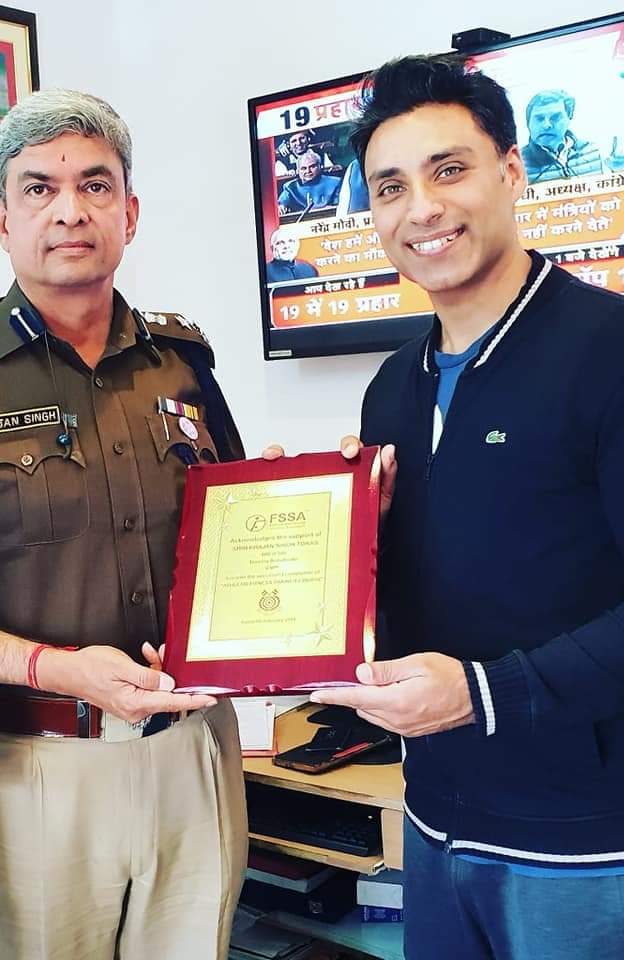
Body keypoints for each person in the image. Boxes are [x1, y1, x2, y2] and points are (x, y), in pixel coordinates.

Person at [266, 55, 624, 960]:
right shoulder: (392, 388)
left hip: (588, 841)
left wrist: (484, 695)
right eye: (390, 187)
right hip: (435, 817)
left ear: (512, 171)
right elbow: (436, 586)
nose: (422, 208)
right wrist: (326, 531)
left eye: (449, 170)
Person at [0, 90, 248, 959]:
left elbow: (239, 531)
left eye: (95, 185)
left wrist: (329, 506)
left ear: (129, 214)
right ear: (3, 218)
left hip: (193, 751)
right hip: (38, 769)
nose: (70, 210)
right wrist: (59, 668)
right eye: (39, 188)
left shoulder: (183, 364)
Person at [521, 88, 602, 182]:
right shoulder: (517, 163)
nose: (547, 125)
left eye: (555, 117)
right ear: (528, 123)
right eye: (539, 119)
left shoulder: (592, 151)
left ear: (569, 117)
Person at [277, 150, 342, 215]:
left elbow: (339, 206)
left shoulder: (336, 182)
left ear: (320, 167)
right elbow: (280, 203)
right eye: (303, 168)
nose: (308, 171)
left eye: (312, 167)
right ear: (298, 171)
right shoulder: (290, 187)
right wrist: (280, 207)